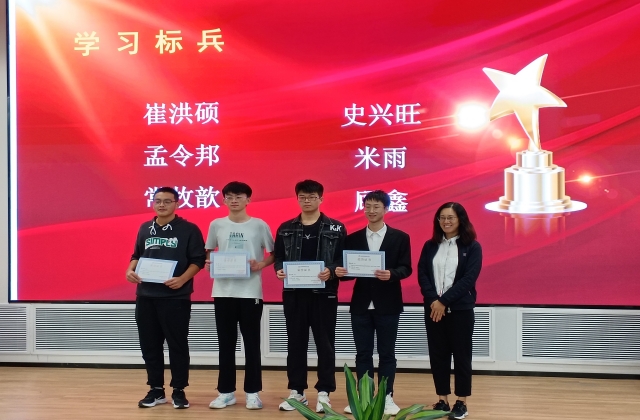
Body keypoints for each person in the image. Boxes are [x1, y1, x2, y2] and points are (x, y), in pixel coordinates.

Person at [125, 187, 206, 409]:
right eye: (158, 201)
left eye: (167, 201)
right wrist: (130, 270)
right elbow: (136, 256)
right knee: (150, 345)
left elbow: (198, 260)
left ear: (177, 204)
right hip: (146, 296)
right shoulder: (145, 228)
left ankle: (179, 390)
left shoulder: (189, 229)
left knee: (177, 345)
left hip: (176, 297)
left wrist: (182, 279)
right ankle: (156, 390)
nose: (162, 205)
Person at [335, 190, 412, 416]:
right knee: (363, 354)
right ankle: (363, 397)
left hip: (388, 304)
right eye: (367, 206)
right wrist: (341, 273)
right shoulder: (353, 238)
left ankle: (386, 397)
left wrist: (392, 274)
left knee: (387, 353)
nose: (371, 210)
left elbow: (406, 268)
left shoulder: (400, 237)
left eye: (376, 206)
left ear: (386, 209)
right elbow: (348, 272)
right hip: (361, 305)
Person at [274, 180, 346, 413]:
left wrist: (331, 270)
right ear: (297, 199)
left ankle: (324, 392)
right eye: (303, 197)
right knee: (295, 344)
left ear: (321, 199)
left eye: (312, 197)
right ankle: (297, 392)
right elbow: (278, 257)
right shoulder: (286, 228)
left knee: (325, 344)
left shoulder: (336, 228)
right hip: (294, 295)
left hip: (324, 295)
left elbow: (343, 259)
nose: (307, 201)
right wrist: (279, 270)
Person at [205, 181, 275, 410]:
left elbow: (274, 254)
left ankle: (253, 392)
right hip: (223, 292)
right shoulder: (216, 224)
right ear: (224, 200)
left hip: (250, 292)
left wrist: (260, 264)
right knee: (225, 344)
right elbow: (208, 252)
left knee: (252, 344)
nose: (234, 200)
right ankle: (226, 392)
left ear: (248, 199)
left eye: (239, 196)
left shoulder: (259, 225)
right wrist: (208, 263)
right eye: (229, 197)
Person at [417, 202, 482, 420]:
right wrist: (434, 301)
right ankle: (442, 400)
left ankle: (461, 402)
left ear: (461, 220)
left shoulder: (472, 247)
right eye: (442, 217)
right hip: (433, 309)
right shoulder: (430, 246)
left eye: (451, 217)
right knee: (438, 355)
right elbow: (423, 274)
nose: (446, 221)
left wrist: (443, 301)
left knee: (462, 356)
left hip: (460, 310)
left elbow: (468, 279)